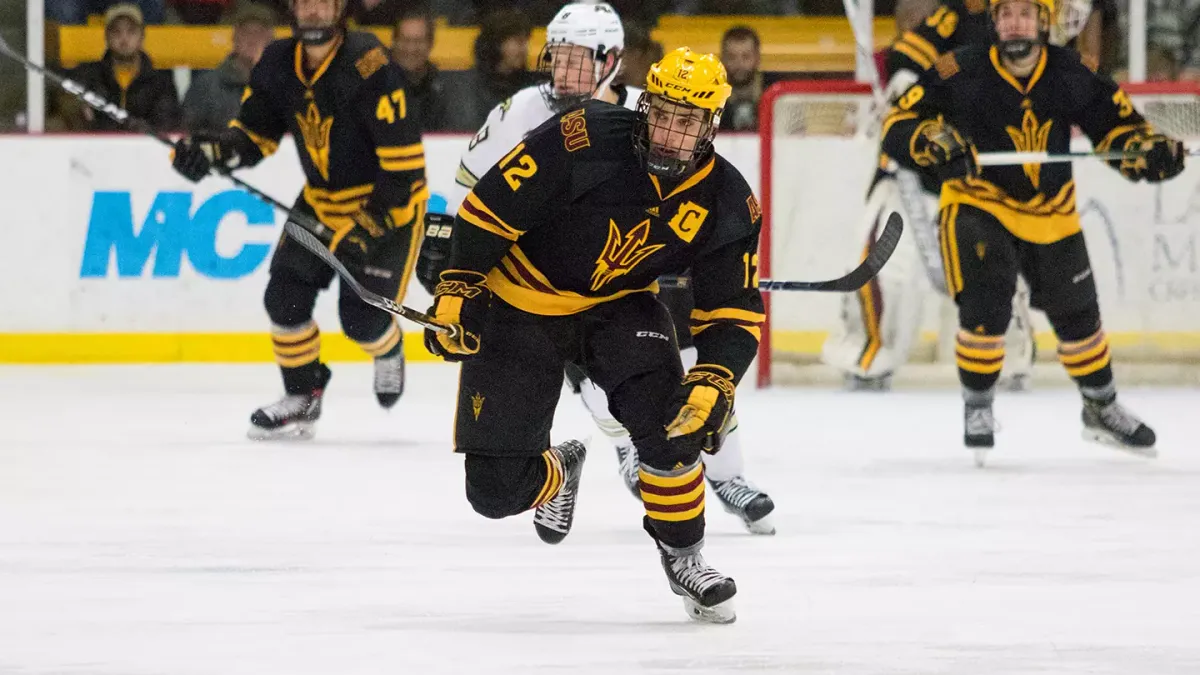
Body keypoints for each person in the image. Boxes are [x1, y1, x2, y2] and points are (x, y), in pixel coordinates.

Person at [424, 47, 761, 623]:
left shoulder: (728, 200)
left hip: (618, 309)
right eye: (661, 115)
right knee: (494, 493)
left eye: (687, 123)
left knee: (672, 428)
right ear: (645, 106)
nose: (668, 134)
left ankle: (685, 555)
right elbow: (488, 211)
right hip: (520, 302)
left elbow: (732, 310)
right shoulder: (583, 135)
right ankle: (560, 470)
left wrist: (715, 378)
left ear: (711, 127)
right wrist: (460, 287)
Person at [880, 0, 1185, 464]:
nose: (1013, 23)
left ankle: (1100, 407)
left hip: (1051, 209)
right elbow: (899, 124)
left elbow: (1119, 131)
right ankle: (978, 405)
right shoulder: (959, 68)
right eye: (1005, 14)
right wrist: (930, 141)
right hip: (978, 201)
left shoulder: (1073, 70)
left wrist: (1148, 152)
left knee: (1080, 318)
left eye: (1025, 13)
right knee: (987, 298)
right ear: (994, 22)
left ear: (1043, 22)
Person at [169, 0, 429, 439]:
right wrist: (212, 151)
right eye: (305, 1)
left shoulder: (370, 65)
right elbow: (254, 135)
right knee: (283, 299)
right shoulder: (276, 61)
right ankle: (302, 395)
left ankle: (388, 350)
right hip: (321, 201)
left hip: (387, 207)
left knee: (362, 320)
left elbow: (403, 173)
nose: (313, 11)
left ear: (341, 8)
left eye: (323, 2)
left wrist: (364, 232)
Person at [64, 4, 181, 132]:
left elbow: (166, 124)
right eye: (116, 32)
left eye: (131, 31)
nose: (124, 39)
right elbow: (68, 104)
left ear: (142, 36)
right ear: (107, 37)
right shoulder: (88, 74)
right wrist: (78, 109)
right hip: (97, 148)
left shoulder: (160, 80)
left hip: (146, 148)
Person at [183, 5, 275, 133]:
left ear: (270, 40)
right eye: (246, 32)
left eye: (259, 33)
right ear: (234, 38)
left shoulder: (285, 84)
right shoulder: (206, 86)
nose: (252, 39)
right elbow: (188, 134)